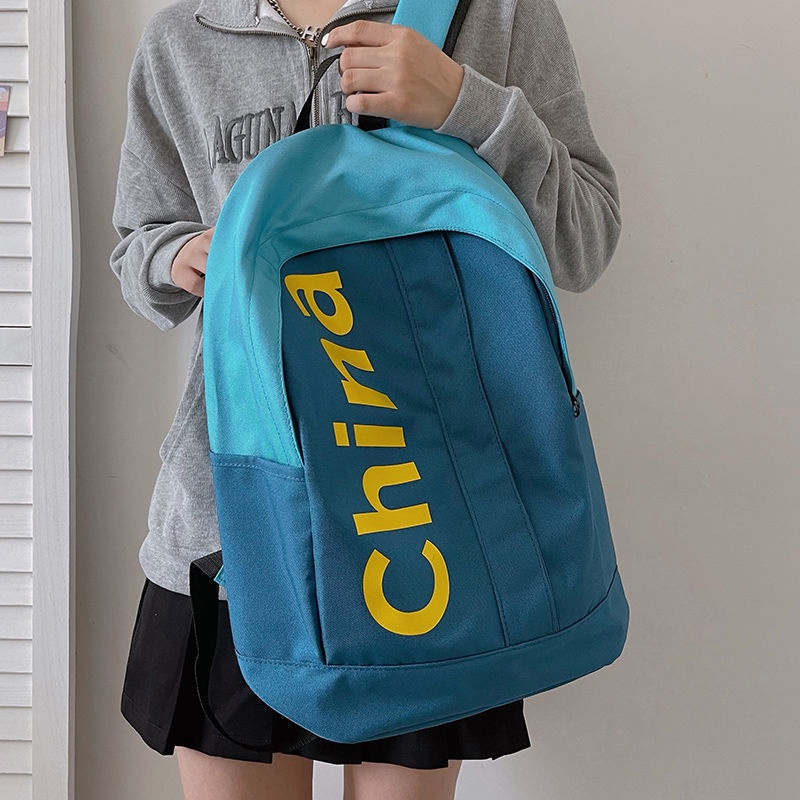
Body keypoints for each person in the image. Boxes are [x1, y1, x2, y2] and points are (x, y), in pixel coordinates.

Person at [109, 0, 622, 798]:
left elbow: (583, 239)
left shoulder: (494, 13)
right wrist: (177, 257)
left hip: (429, 528)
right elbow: (137, 244)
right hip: (233, 530)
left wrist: (465, 104)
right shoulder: (187, 34)